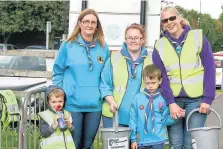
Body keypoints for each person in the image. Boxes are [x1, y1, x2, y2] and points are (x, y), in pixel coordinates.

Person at [152, 6, 216, 149]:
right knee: (175, 144)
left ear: (179, 18)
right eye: (165, 20)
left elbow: (210, 69)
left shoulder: (198, 38)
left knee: (191, 143)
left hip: (197, 101)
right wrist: (170, 103)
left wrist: (207, 99)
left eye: (172, 18)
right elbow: (161, 78)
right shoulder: (159, 45)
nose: (169, 22)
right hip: (174, 102)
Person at [52, 9, 110, 149]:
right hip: (72, 104)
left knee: (87, 145)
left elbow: (105, 77)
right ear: (80, 23)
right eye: (86, 22)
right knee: (74, 144)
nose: (89, 25)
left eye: (93, 22)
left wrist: (106, 96)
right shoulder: (68, 45)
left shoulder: (103, 47)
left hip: (94, 105)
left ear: (97, 26)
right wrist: (60, 95)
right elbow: (57, 71)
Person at [100, 23, 152, 127]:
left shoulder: (151, 59)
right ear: (125, 40)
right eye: (130, 38)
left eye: (136, 38)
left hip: (140, 116)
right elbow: (104, 84)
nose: (133, 40)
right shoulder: (114, 58)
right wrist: (110, 101)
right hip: (114, 116)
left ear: (143, 40)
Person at [129, 64, 185, 149]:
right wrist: (133, 139)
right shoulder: (137, 98)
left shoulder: (163, 99)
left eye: (153, 83)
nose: (150, 86)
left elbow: (165, 120)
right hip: (141, 140)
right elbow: (133, 120)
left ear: (160, 81)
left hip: (158, 140)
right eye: (147, 83)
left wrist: (175, 117)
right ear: (144, 81)